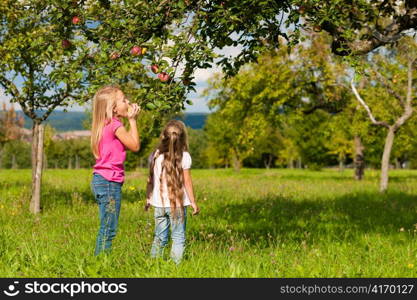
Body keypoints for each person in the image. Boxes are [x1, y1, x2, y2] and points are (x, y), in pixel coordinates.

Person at [90, 85, 140, 255]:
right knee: (109, 229)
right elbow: (135, 145)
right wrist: (133, 120)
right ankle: (101, 266)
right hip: (109, 182)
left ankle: (100, 262)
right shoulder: (115, 125)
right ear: (113, 107)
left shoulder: (103, 124)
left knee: (106, 226)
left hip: (101, 180)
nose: (128, 102)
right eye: (124, 100)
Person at [145, 120, 200, 264]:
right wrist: (193, 202)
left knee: (159, 237)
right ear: (182, 138)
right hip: (177, 205)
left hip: (159, 204)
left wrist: (148, 198)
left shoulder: (156, 155)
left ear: (163, 136)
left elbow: (150, 179)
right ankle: (175, 268)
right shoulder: (185, 156)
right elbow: (187, 182)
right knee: (178, 237)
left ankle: (152, 264)